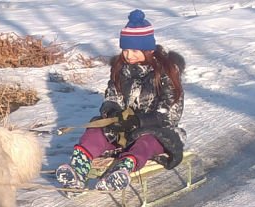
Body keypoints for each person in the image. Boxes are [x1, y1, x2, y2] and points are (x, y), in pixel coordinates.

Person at [56, 9, 186, 192]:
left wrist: (139, 121)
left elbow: (170, 112)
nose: (128, 55)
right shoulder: (121, 68)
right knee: (96, 131)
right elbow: (113, 94)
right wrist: (112, 112)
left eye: (134, 50)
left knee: (146, 141)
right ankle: (77, 170)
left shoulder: (165, 71)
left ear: (148, 50)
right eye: (125, 50)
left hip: (158, 129)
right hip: (124, 125)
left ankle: (120, 171)